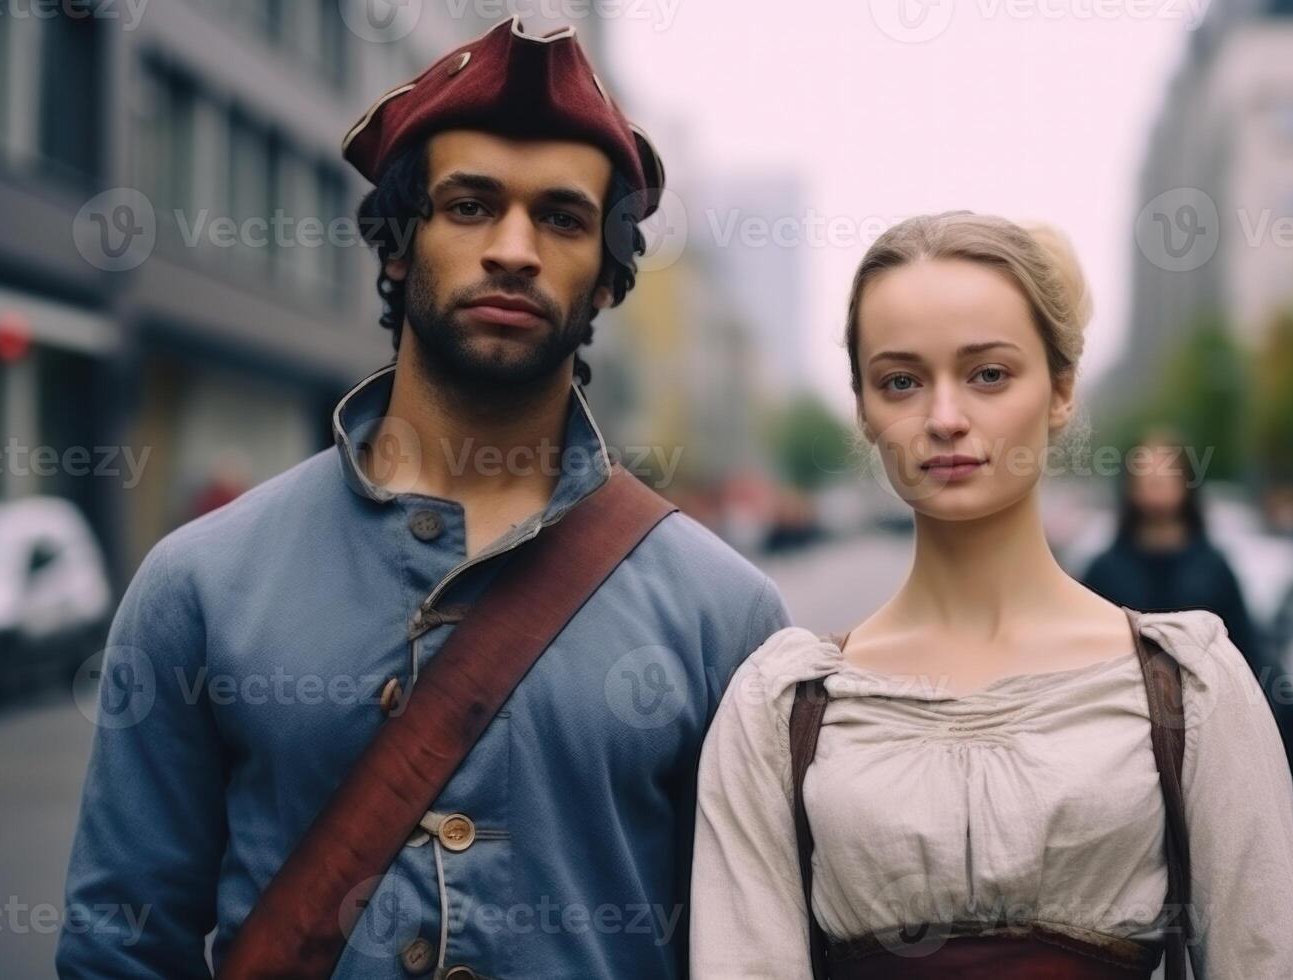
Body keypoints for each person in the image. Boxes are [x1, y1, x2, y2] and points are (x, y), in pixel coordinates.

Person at [57, 17, 789, 979]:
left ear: (609, 281)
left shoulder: (727, 618)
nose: (515, 248)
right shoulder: (198, 583)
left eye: (564, 219)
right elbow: (122, 948)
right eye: (471, 205)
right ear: (398, 246)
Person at [689, 212, 1293, 978]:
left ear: (1060, 391)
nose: (945, 419)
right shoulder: (778, 709)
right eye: (901, 381)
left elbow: (1270, 959)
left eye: (988, 373)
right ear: (862, 408)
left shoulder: (1190, 688)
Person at [1082, 428, 1265, 674]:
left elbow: (1245, 653)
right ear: (1130, 485)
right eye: (1145, 472)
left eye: (1167, 472)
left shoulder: (1213, 570)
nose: (1156, 481)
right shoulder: (1104, 572)